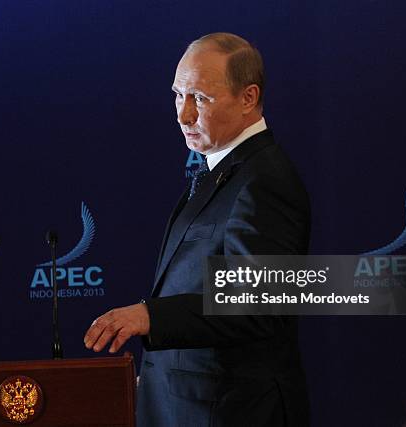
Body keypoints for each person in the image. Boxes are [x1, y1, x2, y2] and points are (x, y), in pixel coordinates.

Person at [84, 32, 311, 426]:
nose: (183, 114)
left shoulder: (265, 181)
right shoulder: (222, 171)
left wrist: (150, 316)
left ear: (248, 98)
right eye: (178, 95)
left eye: (200, 99)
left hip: (232, 413)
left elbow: (256, 303)